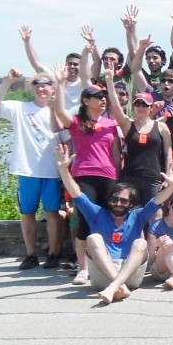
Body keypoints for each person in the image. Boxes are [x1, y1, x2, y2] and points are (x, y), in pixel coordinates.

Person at [55, 145, 173, 304]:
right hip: (102, 274)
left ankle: (115, 286)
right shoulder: (96, 214)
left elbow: (157, 200)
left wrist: (172, 186)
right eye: (114, 199)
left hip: (131, 274)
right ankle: (117, 285)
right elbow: (77, 193)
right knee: (93, 238)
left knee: (140, 243)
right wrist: (63, 170)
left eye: (123, 200)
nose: (118, 203)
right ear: (109, 201)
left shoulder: (137, 216)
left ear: (131, 204)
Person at [0, 69, 62, 270]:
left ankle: (54, 254)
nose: (42, 87)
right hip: (27, 170)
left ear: (53, 89)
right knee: (27, 212)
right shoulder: (20, 108)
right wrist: (7, 81)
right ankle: (31, 255)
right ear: (33, 88)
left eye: (46, 84)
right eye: (37, 84)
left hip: (52, 170)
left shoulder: (59, 111)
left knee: (52, 212)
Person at [52, 74, 121, 281]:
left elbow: (116, 154)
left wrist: (118, 179)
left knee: (110, 219)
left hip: (108, 176)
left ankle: (107, 263)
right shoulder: (75, 122)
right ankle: (83, 268)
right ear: (85, 101)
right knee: (85, 220)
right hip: (84, 175)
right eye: (97, 96)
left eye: (104, 97)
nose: (102, 100)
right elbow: (59, 111)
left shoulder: (111, 124)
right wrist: (59, 83)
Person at [106, 70, 171, 205]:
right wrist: (109, 81)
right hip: (130, 176)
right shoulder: (127, 124)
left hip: (153, 177)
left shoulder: (161, 127)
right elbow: (116, 106)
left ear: (151, 107)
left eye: (144, 104)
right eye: (137, 104)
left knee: (155, 214)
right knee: (128, 211)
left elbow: (168, 153)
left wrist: (168, 176)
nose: (140, 107)